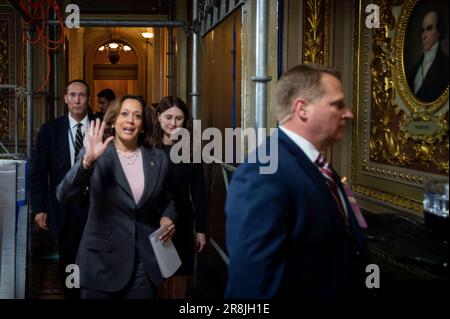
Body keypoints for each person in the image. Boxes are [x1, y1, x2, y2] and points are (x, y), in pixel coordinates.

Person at [225, 64, 370, 300]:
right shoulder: (263, 173)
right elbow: (253, 287)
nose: (348, 114)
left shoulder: (317, 165)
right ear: (302, 109)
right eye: (337, 104)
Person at [56, 95, 177, 299]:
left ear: (143, 125)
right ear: (113, 121)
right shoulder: (96, 153)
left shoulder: (158, 158)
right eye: (124, 114)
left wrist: (167, 218)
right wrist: (87, 162)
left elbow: (166, 200)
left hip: (142, 262)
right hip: (101, 261)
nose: (130, 120)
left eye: (137, 116)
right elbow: (64, 194)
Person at [29, 79, 94, 299]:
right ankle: (72, 296)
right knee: (69, 262)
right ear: (66, 98)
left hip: (97, 207)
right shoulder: (50, 130)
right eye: (73, 95)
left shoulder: (100, 126)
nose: (77, 100)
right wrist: (39, 208)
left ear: (88, 98)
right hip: (64, 208)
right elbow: (38, 173)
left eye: (82, 95)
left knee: (96, 260)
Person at [151, 96, 207, 299]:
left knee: (179, 278)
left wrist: (200, 229)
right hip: (152, 220)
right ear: (158, 117)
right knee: (155, 277)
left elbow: (199, 192)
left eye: (179, 118)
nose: (173, 123)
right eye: (168, 117)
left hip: (183, 221)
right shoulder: (147, 148)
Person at [407, 8, 449, 102]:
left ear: (438, 32)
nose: (424, 36)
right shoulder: (414, 70)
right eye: (423, 30)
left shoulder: (446, 67)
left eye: (429, 28)